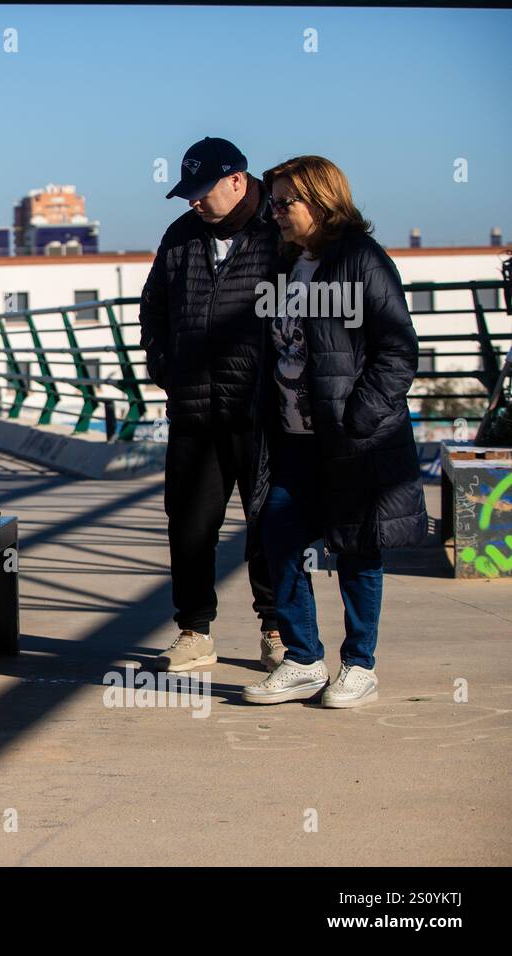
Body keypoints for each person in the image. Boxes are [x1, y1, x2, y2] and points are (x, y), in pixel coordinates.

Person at [242, 156, 427, 708]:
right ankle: (302, 660)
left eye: (284, 203)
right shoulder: (283, 264)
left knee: (357, 547)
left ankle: (359, 665)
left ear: (322, 202)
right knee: (280, 538)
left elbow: (398, 349)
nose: (274, 213)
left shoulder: (361, 260)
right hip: (292, 440)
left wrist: (359, 416)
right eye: (272, 202)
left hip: (354, 439)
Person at [138, 136, 283, 672]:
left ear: (237, 180)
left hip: (262, 410)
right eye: (189, 193)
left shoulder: (278, 228)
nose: (195, 202)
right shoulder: (180, 236)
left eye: (203, 192)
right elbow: (152, 308)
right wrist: (165, 367)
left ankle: (277, 628)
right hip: (195, 408)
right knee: (190, 524)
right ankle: (194, 631)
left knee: (270, 521)